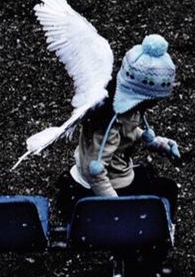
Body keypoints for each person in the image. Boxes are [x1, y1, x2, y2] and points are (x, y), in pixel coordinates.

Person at [53, 34, 182, 223]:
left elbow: (128, 133)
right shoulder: (109, 124)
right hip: (104, 186)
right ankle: (149, 233)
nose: (154, 105)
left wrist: (158, 143)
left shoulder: (121, 108)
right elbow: (95, 170)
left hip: (102, 176)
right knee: (167, 190)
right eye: (153, 101)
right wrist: (117, 208)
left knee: (148, 175)